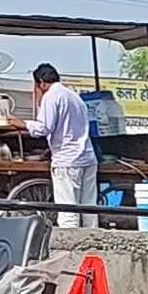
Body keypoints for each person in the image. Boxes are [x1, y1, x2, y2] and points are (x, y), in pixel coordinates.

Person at [28, 63, 97, 223]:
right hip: (87, 158)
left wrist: (23, 124)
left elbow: (43, 128)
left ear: (41, 82)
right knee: (90, 208)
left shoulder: (52, 96)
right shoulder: (74, 96)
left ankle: (71, 246)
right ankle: (93, 243)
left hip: (67, 160)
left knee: (68, 211)